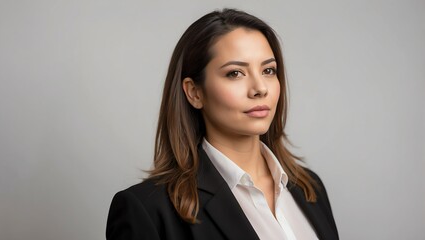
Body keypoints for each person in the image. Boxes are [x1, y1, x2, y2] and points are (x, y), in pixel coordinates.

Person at [106, 8, 338, 240]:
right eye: (235, 73)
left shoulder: (310, 188)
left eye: (268, 70)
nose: (260, 88)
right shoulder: (148, 210)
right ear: (194, 92)